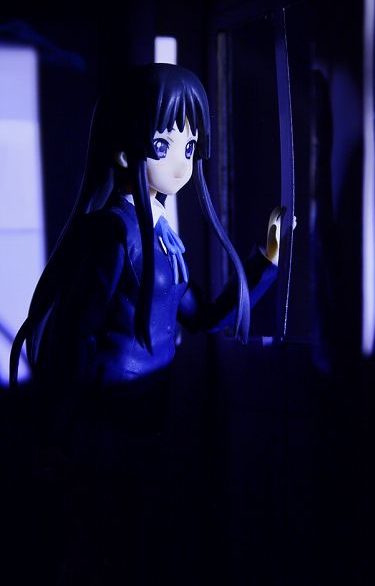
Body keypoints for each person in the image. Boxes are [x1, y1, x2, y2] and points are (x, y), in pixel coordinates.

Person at [9, 63, 282, 425]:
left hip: (151, 401)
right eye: (161, 146)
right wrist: (61, 422)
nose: (181, 165)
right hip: (108, 403)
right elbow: (76, 331)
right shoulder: (113, 232)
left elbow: (202, 316)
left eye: (189, 148)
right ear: (124, 153)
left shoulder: (163, 237)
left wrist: (266, 261)